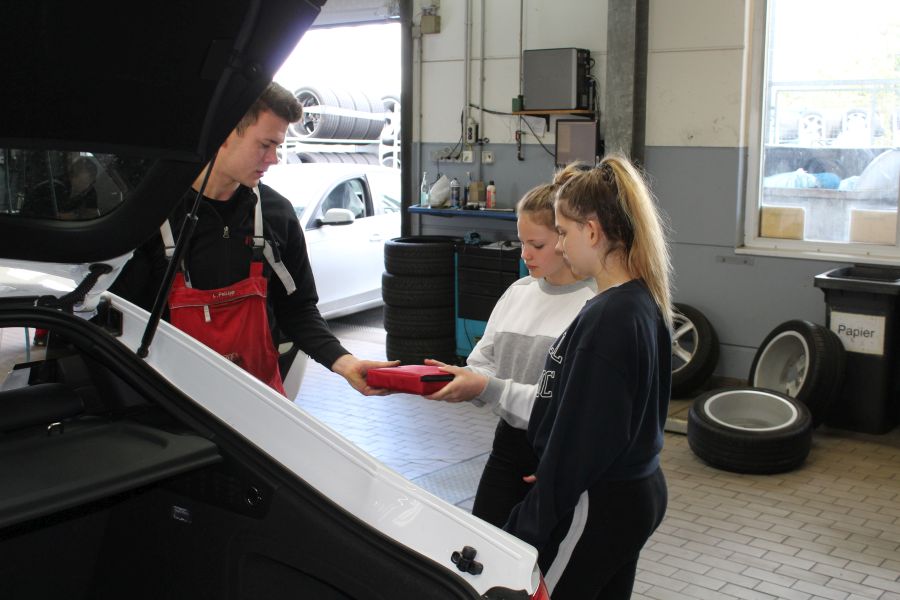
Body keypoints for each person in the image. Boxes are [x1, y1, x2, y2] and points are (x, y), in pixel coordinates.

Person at [110, 81, 395, 396]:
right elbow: (115, 317)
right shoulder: (150, 217)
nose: (273, 158)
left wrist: (343, 362)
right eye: (265, 144)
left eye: (277, 146)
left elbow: (298, 308)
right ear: (224, 134)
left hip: (256, 407)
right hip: (172, 411)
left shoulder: (276, 215)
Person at [503, 156, 673, 599]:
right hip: (627, 492)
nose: (558, 246)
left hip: (600, 502)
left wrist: (527, 525)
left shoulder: (611, 316)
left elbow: (583, 439)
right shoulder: (636, 301)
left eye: (562, 232)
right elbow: (603, 422)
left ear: (592, 231)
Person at [422, 182, 596, 528]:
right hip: (509, 444)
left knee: (541, 558)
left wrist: (486, 386)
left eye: (537, 244)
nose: (524, 254)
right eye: (521, 242)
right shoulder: (518, 293)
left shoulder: (593, 305)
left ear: (566, 238)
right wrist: (465, 381)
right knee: (486, 541)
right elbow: (484, 360)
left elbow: (564, 403)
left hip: (559, 450)